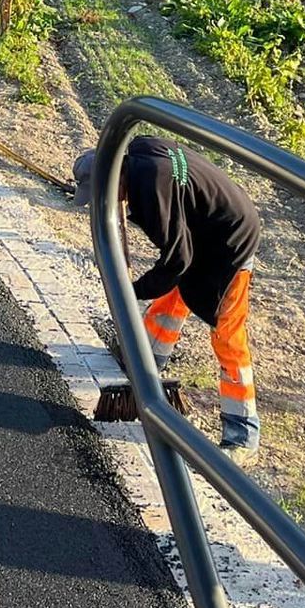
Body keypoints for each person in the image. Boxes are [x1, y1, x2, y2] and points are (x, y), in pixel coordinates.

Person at [75, 137, 263, 465]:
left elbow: (177, 261)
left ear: (115, 181)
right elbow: (180, 252)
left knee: (227, 334)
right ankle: (144, 360)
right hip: (205, 228)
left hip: (232, 241)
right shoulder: (136, 153)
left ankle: (243, 433)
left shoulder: (152, 189)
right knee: (171, 299)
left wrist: (130, 291)